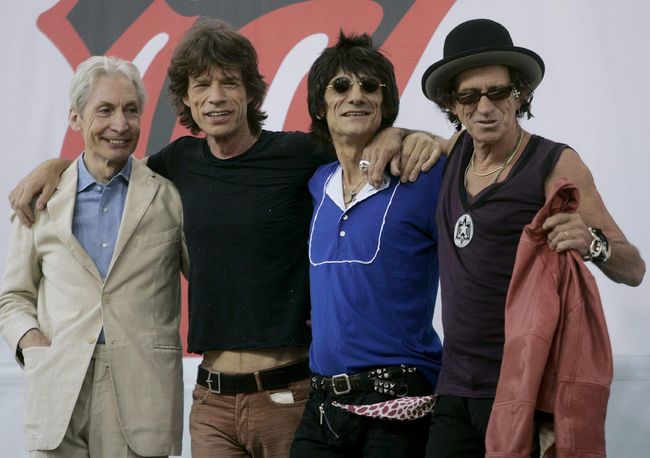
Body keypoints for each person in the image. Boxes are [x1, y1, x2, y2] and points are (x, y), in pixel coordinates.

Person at [8, 18, 443, 458]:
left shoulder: (299, 155)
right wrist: (56, 168)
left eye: (229, 83)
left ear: (251, 92)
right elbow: (112, 164)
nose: (215, 97)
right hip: (211, 404)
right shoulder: (177, 163)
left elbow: (360, 138)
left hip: (288, 396)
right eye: (201, 85)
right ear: (186, 99)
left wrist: (403, 134)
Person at [420, 18, 645, 457]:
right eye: (469, 96)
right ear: (452, 103)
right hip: (455, 386)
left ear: (520, 93)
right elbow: (415, 143)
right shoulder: (455, 152)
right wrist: (395, 136)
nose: (485, 107)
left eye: (498, 92)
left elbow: (633, 268)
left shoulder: (553, 162)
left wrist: (593, 243)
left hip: (522, 390)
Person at [0, 56, 188, 457]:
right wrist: (33, 345)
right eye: (104, 110)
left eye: (130, 110)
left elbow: (211, 277)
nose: (120, 124)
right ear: (75, 117)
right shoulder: (40, 200)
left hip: (142, 397)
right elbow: (12, 297)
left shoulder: (168, 197)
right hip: (56, 388)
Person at [289, 32, 445, 458]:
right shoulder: (317, 184)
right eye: (340, 86)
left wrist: (416, 135)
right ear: (319, 106)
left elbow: (484, 161)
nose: (356, 95)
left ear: (385, 102)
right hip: (323, 405)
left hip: (401, 401)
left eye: (370, 86)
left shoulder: (424, 174)